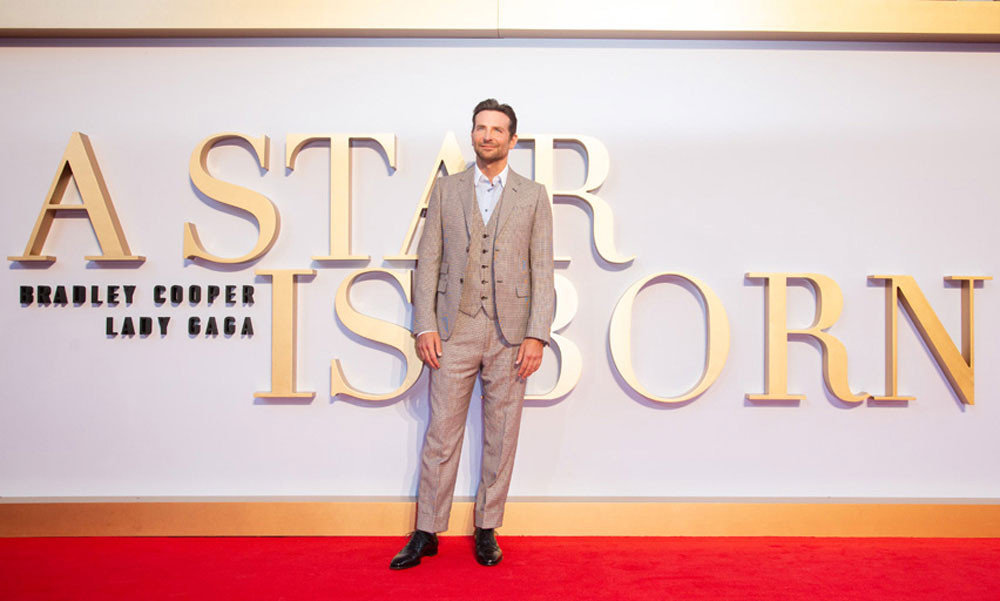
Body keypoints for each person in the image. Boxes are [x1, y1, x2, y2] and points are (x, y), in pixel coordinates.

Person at [390, 99, 555, 569]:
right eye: (481, 128)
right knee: (441, 433)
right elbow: (428, 262)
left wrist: (537, 334)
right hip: (453, 329)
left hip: (511, 333)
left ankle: (487, 528)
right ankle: (427, 530)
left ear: (512, 139)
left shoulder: (533, 195)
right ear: (473, 134)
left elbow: (543, 269)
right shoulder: (447, 190)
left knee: (502, 434)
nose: (488, 136)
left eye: (497, 129)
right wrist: (424, 323)